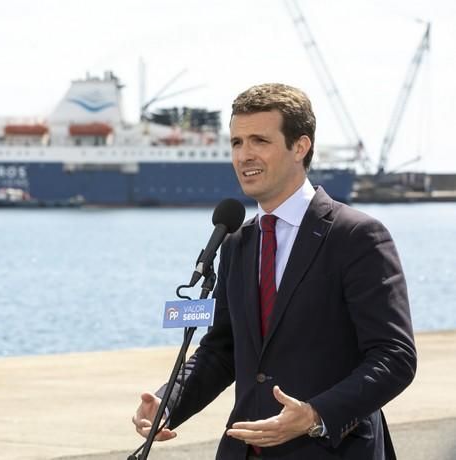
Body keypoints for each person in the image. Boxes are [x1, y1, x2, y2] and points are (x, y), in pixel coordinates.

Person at [132, 83, 416, 460]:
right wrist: (169, 402)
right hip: (245, 451)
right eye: (236, 143)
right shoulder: (237, 242)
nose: (244, 155)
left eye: (259, 141)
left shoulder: (357, 236)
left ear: (300, 147)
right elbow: (222, 350)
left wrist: (315, 415)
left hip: (335, 450)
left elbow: (394, 356)